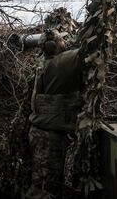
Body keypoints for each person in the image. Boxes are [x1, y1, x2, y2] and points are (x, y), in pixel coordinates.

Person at [26, 29, 84, 199]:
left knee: (43, 181)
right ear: (57, 44)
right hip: (48, 138)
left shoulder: (45, 62)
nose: (65, 44)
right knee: (45, 188)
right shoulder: (62, 62)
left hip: (41, 133)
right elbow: (87, 50)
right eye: (62, 41)